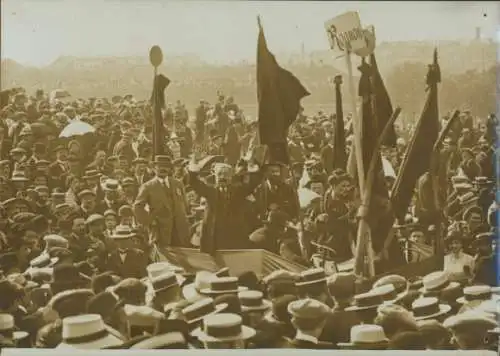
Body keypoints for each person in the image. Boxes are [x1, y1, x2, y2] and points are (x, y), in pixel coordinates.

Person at [134, 155, 190, 248]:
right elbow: (137, 207)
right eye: (159, 166)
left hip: (180, 231)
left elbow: (185, 204)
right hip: (160, 232)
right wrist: (150, 221)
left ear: (170, 169)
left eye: (166, 166)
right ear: (154, 168)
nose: (163, 169)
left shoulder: (178, 184)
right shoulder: (148, 186)